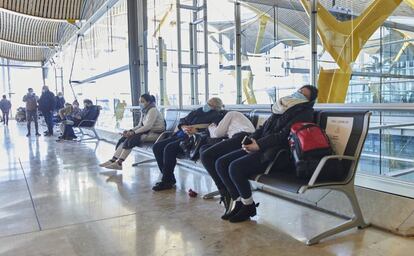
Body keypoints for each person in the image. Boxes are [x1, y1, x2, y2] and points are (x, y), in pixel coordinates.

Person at [215, 85, 318, 223]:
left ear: (308, 100)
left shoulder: (305, 112)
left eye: (303, 94)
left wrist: (259, 145)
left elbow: (283, 135)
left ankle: (248, 206)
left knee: (235, 167)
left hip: (276, 153)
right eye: (298, 91)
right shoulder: (281, 107)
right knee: (221, 163)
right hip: (262, 147)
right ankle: (238, 201)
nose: (298, 94)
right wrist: (252, 139)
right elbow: (264, 128)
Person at [152, 97, 225, 191]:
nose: (207, 105)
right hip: (181, 135)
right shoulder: (197, 111)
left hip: (193, 140)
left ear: (216, 107)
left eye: (210, 104)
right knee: (157, 147)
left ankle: (166, 180)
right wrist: (182, 126)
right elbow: (184, 120)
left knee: (169, 148)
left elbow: (214, 129)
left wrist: (197, 130)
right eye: (207, 103)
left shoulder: (218, 115)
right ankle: (169, 177)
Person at [199, 111, 256, 213]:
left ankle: (225, 192)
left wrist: (211, 127)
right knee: (204, 149)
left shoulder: (231, 114)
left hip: (242, 138)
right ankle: (229, 192)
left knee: (206, 155)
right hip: (240, 139)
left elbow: (217, 133)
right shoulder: (235, 121)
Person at [100, 94, 165, 170]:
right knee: (125, 138)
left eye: (142, 101)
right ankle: (113, 160)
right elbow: (140, 125)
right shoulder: (144, 111)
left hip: (156, 134)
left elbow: (148, 126)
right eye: (140, 101)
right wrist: (130, 131)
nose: (140, 103)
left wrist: (133, 133)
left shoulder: (153, 110)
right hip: (147, 132)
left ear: (148, 102)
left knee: (131, 138)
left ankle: (119, 163)